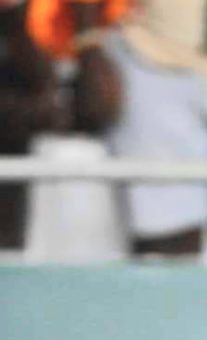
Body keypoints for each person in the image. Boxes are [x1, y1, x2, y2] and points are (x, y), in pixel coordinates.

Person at [0, 0, 120, 252]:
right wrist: (13, 16)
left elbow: (98, 109)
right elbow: (46, 99)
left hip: (88, 235)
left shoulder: (111, 29)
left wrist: (85, 21)